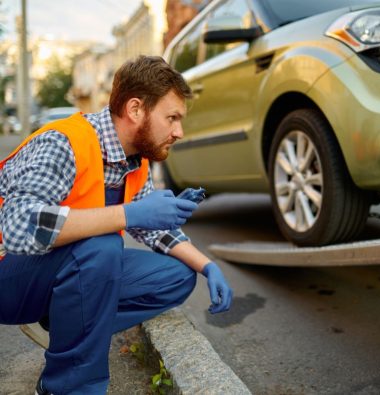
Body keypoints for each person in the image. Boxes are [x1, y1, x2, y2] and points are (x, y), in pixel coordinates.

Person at [0, 55, 233, 395]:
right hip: (9, 274)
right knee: (102, 246)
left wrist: (208, 266)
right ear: (136, 109)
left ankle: (67, 321)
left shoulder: (134, 161)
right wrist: (127, 215)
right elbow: (19, 225)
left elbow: (154, 228)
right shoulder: (63, 143)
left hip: (59, 273)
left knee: (178, 276)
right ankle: (68, 387)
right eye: (172, 118)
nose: (179, 132)